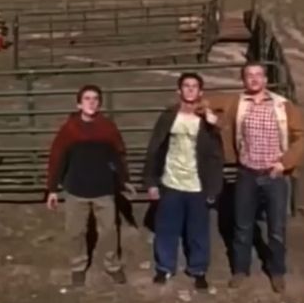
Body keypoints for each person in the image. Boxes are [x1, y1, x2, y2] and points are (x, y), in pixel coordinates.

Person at [219, 62, 304, 294]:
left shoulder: (282, 106)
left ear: (266, 80)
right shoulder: (237, 103)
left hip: (274, 175)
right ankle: (240, 269)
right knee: (242, 224)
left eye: (259, 75)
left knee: (276, 227)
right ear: (243, 80)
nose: (254, 79)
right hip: (247, 173)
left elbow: (301, 138)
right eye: (249, 75)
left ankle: (277, 271)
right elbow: (210, 102)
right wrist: (193, 105)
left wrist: (284, 163)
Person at [45, 84, 136, 287]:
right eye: (87, 98)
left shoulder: (107, 128)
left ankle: (111, 265)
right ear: (79, 103)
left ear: (100, 103)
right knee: (75, 231)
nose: (91, 102)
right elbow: (57, 158)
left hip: (103, 189)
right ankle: (78, 266)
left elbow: (118, 155)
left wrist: (124, 180)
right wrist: (52, 189)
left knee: (109, 231)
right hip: (76, 190)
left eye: (95, 98)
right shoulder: (69, 130)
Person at [143, 73, 224, 291]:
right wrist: (151, 181)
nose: (190, 90)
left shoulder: (207, 119)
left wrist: (214, 188)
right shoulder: (169, 116)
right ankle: (164, 267)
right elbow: (154, 149)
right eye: (186, 86)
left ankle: (198, 270)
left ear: (200, 92)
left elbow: (217, 155)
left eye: (194, 86)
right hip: (171, 182)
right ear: (179, 91)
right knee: (166, 228)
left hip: (198, 184)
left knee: (198, 231)